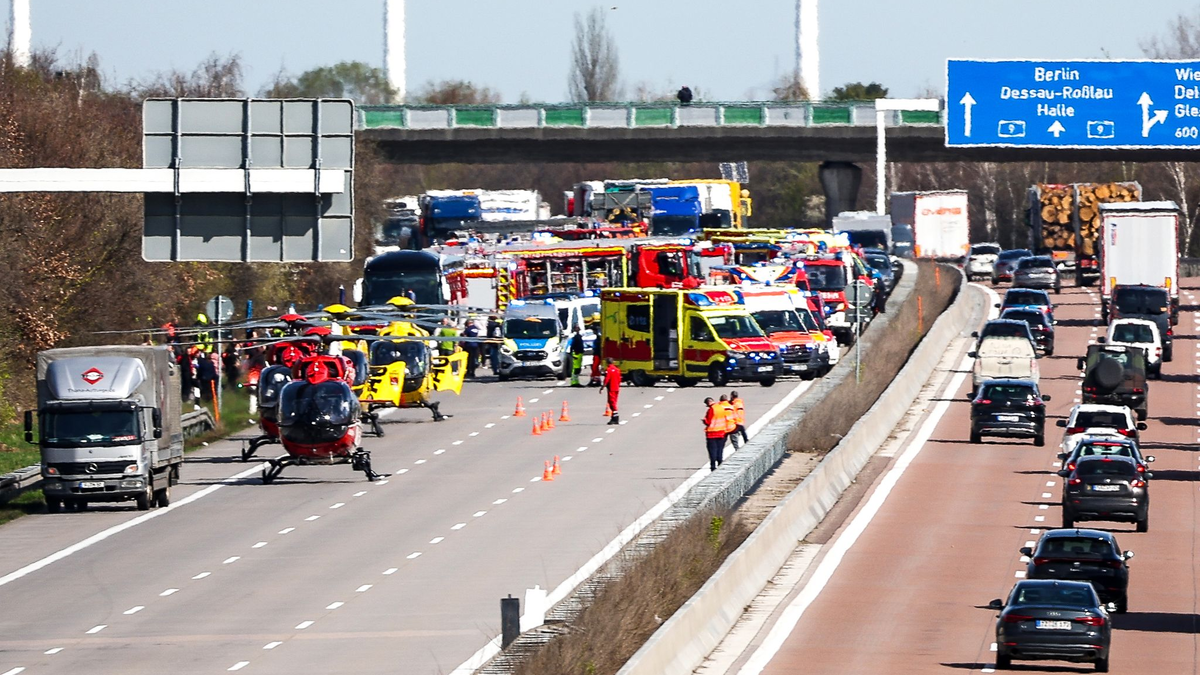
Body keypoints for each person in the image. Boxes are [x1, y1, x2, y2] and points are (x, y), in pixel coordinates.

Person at [703, 397, 727, 471]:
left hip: (712, 434)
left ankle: (713, 467)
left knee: (712, 451)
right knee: (720, 450)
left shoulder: (711, 409)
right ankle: (720, 464)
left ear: (708, 402)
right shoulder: (721, 408)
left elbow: (708, 422)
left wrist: (704, 421)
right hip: (721, 432)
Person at [599, 357, 621, 425]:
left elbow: (607, 379)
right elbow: (619, 379)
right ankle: (614, 416)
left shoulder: (609, 370)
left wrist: (602, 387)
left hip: (611, 388)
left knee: (612, 403)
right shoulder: (617, 369)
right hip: (616, 387)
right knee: (614, 402)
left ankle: (615, 417)